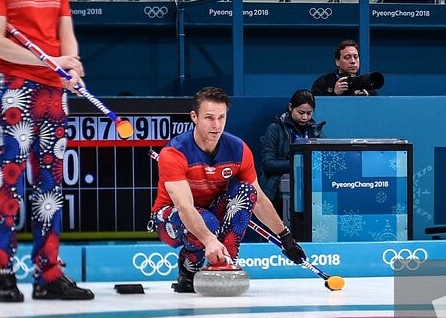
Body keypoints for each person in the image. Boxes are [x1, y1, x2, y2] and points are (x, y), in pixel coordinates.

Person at [0, 0, 95, 302]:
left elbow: (67, 33)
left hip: (54, 92)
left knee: (50, 186)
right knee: (8, 179)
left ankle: (48, 274)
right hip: (16, 88)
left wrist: (72, 67)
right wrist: (51, 61)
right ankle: (2, 270)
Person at [151, 87, 303, 292]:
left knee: (246, 191)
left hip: (211, 214)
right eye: (209, 118)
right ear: (194, 117)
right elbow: (184, 206)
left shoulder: (238, 149)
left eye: (221, 118)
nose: (216, 125)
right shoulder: (175, 152)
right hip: (171, 218)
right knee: (206, 221)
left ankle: (225, 261)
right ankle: (189, 266)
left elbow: (257, 199)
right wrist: (210, 240)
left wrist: (285, 237)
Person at [258, 90, 325, 209]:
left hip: (310, 182)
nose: (305, 117)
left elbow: (323, 159)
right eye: (301, 112)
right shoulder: (275, 129)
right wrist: (299, 164)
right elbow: (267, 164)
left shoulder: (314, 130)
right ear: (290, 107)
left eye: (309, 113)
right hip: (278, 185)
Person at [311, 39, 379, 96]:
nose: (353, 61)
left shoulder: (367, 84)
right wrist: (334, 94)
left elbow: (377, 109)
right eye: (347, 57)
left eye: (356, 57)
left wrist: (368, 100)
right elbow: (315, 109)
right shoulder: (323, 82)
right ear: (337, 62)